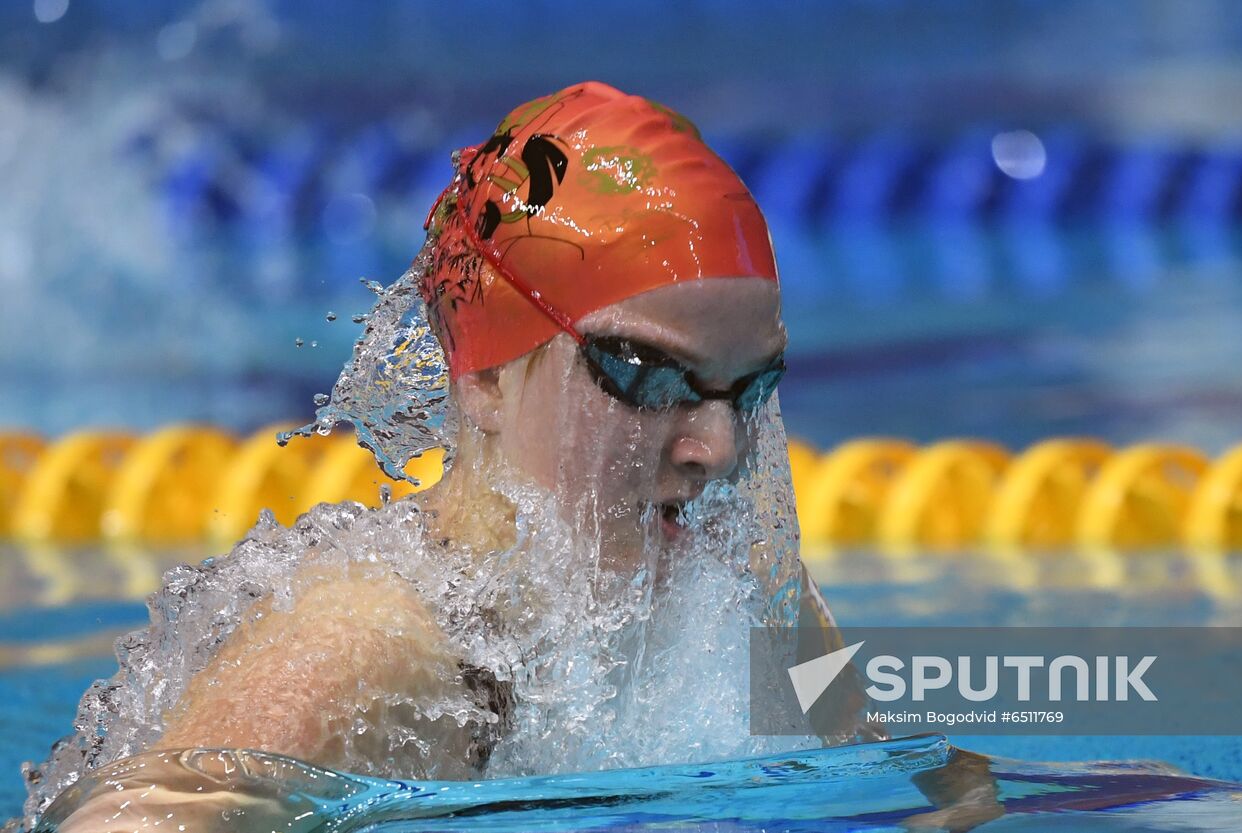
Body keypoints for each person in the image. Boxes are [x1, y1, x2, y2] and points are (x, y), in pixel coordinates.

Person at [25, 81, 870, 832]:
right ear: (487, 377)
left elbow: (902, 781)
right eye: (645, 376)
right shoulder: (371, 652)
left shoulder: (749, 587)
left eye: (750, 388)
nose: (715, 449)